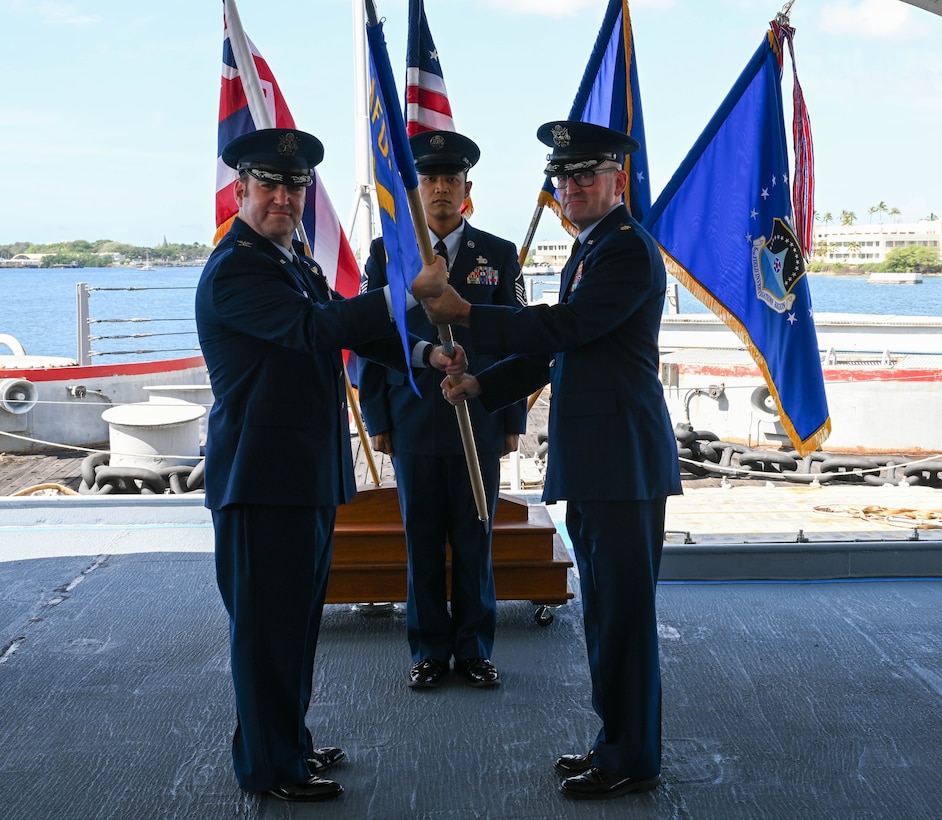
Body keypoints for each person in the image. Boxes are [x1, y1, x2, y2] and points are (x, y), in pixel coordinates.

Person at [415, 121, 682, 800]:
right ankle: (615, 742)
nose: (572, 187)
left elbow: (563, 328)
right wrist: (483, 386)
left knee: (622, 616)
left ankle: (631, 758)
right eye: (563, 177)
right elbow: (557, 348)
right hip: (600, 459)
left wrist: (467, 312)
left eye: (586, 175)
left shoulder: (624, 251)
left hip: (621, 462)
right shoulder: (592, 249)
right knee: (606, 613)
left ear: (617, 178)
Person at [195, 127, 455, 802]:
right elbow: (314, 331)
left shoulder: (294, 264)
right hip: (261, 480)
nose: (283, 196)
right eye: (270, 185)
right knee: (266, 632)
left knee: (294, 625)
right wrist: (408, 292)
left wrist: (423, 355)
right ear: (242, 190)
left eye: (295, 187)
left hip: (301, 475)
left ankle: (289, 743)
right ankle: (270, 768)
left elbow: (349, 325)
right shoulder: (237, 268)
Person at [358, 130, 527, 690]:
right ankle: (429, 649)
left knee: (476, 537)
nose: (439, 189)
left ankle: (475, 648)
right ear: (416, 191)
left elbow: (519, 345)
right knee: (422, 539)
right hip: (411, 420)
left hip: (479, 422)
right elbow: (372, 340)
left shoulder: (498, 256)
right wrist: (378, 419)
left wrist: (511, 422)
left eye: (450, 179)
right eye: (429, 179)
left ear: (467, 189)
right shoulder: (389, 254)